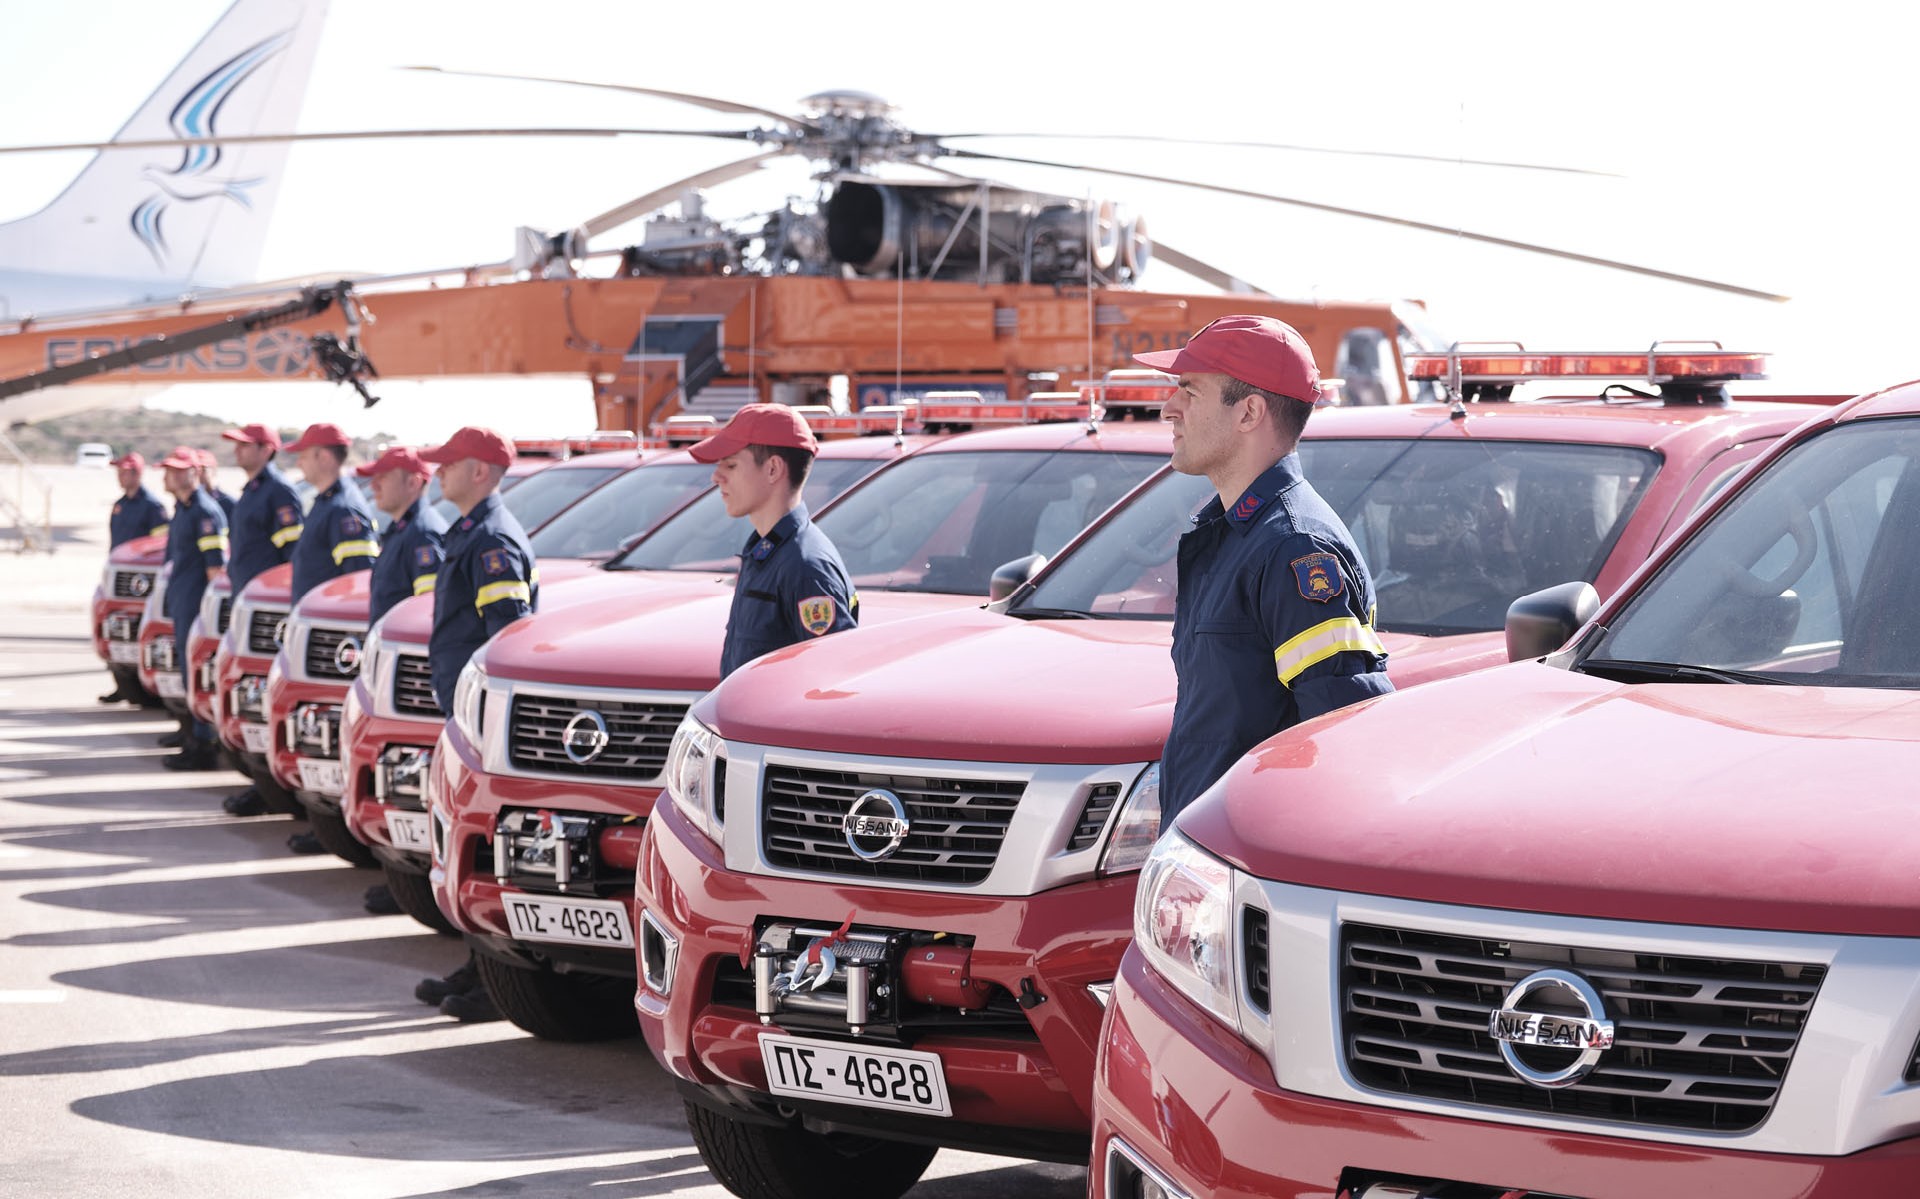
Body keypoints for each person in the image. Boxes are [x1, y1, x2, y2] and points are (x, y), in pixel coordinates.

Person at [1136, 315, 1393, 821]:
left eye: (1189, 390)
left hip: (1253, 868)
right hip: (1212, 853)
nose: (1169, 408)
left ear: (1249, 412)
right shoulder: (1235, 535)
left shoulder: (1294, 548)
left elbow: (1344, 733)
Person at [414, 426, 540, 1022]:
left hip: (484, 724)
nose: (438, 473)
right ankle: (477, 961)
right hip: (465, 715)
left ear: (482, 472)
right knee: (460, 840)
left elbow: (506, 639)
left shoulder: (492, 539)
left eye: (450, 464)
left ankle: (499, 975)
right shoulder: (470, 533)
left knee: (485, 844)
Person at [687, 403, 857, 678]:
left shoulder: (805, 566)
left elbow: (830, 680)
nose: (716, 477)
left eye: (730, 465)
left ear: (773, 469)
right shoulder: (767, 553)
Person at [353, 444, 447, 914]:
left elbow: (423, 619)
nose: (374, 485)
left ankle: (422, 893)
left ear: (414, 482)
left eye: (383, 476)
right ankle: (405, 885)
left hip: (413, 690)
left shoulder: (424, 535)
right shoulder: (402, 531)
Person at [281, 422, 380, 855]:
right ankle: (327, 826)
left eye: (304, 453)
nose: (298, 460)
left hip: (336, 654)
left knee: (335, 740)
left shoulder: (343, 508)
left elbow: (356, 585)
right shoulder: (324, 502)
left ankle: (342, 833)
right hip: (318, 647)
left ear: (324, 457)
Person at [217, 422, 305, 816]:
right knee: (250, 702)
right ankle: (262, 783)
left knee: (264, 702)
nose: (237, 451)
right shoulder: (252, 492)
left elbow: (291, 558)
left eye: (245, 445)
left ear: (266, 450)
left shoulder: (278, 492)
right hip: (247, 610)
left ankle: (272, 791)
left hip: (269, 619)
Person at [156, 447, 228, 771]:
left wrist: (206, 616)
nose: (167, 475)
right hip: (183, 601)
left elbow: (215, 570)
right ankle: (193, 737)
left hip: (196, 606)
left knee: (197, 676)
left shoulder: (204, 512)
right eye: (167, 469)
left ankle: (203, 745)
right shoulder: (184, 510)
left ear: (192, 473)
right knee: (188, 674)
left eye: (175, 469)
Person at [100, 450, 171, 705]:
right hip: (119, 583)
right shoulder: (120, 506)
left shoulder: (152, 507)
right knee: (114, 630)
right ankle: (122, 686)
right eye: (118, 471)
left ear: (137, 474)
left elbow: (160, 546)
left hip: (141, 586)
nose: (120, 476)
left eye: (125, 471)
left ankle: (146, 690)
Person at [195, 449, 237, 519]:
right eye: (196, 470)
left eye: (203, 470)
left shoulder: (228, 503)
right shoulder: (187, 504)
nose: (199, 475)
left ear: (214, 470)